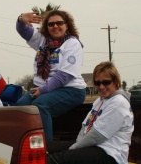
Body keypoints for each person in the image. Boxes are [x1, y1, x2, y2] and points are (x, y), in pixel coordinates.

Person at [15, 9, 86, 140]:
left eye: (59, 23)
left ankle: (46, 149)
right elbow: (24, 31)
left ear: (67, 25)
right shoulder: (43, 40)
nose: (55, 26)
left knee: (41, 105)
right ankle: (24, 143)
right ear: (46, 27)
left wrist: (44, 90)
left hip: (70, 89)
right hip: (45, 89)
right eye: (51, 24)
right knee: (21, 106)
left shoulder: (72, 44)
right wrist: (20, 19)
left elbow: (65, 75)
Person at [46, 61, 134, 164]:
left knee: (57, 159)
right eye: (97, 83)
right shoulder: (100, 101)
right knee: (46, 146)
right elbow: (85, 126)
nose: (101, 87)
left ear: (115, 82)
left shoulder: (118, 102)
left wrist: (73, 149)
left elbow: (97, 135)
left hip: (110, 154)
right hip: (95, 146)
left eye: (106, 82)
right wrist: (77, 144)